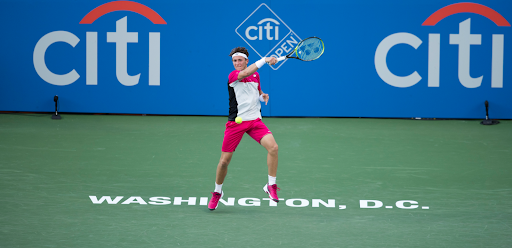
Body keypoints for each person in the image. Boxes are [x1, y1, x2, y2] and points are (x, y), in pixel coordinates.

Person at [208, 47, 279, 211]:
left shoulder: (256, 75)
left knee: (273, 148)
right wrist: (266, 59)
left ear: (246, 60)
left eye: (240, 60)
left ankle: (271, 185)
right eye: (234, 61)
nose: (237, 63)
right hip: (236, 124)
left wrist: (263, 96)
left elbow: (257, 93)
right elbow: (245, 74)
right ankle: (217, 192)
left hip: (254, 121)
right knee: (224, 161)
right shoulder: (233, 76)